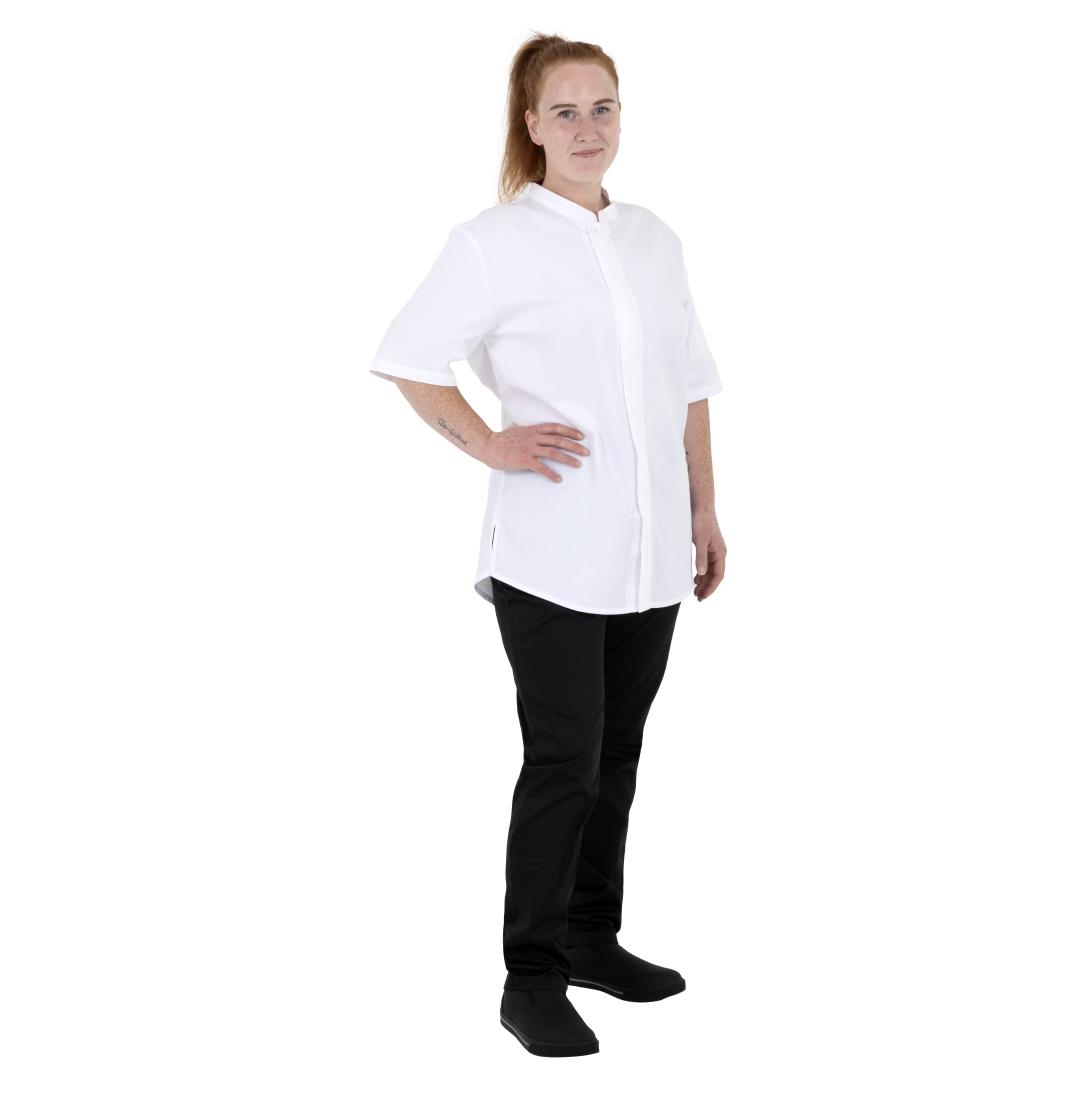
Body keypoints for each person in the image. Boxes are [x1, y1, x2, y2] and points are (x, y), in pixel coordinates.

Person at [369, 33, 726, 1057]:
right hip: (552, 555)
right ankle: (529, 977)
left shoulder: (654, 239)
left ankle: (589, 937)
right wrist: (489, 441)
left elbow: (690, 384)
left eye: (602, 107)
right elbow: (409, 358)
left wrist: (704, 511)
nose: (586, 128)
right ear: (530, 125)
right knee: (563, 759)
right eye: (564, 112)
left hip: (651, 553)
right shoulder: (492, 243)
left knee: (617, 752)